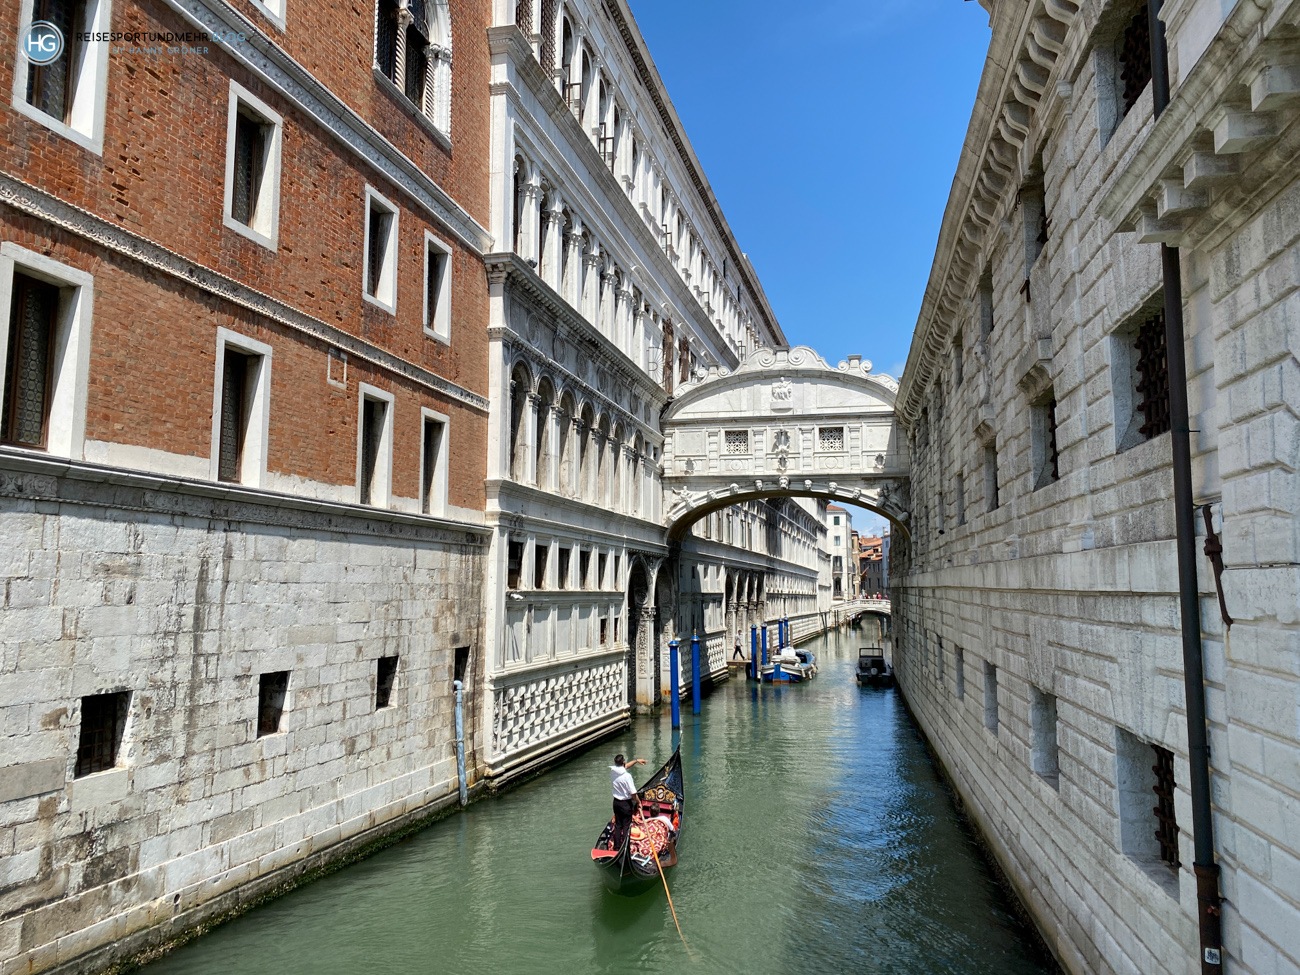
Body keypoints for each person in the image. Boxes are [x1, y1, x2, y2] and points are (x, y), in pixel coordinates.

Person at [609, 753, 646, 850]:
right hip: (625, 804)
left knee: (618, 825)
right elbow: (633, 793)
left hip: (616, 803)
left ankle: (616, 848)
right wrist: (638, 802)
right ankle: (625, 848)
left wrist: (637, 760)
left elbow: (626, 766)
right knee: (626, 826)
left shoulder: (613, 772)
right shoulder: (627, 776)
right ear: (623, 762)